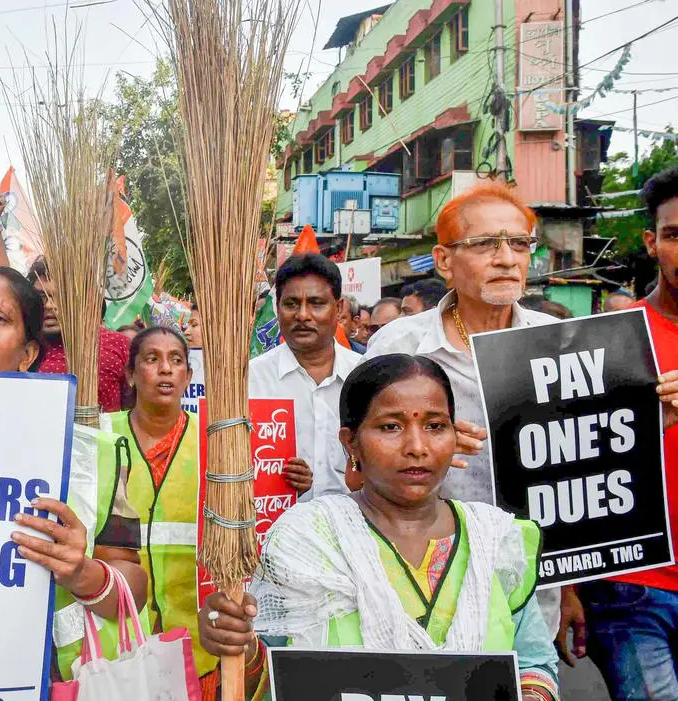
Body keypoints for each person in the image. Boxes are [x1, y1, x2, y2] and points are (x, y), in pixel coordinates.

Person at [199, 354, 560, 701]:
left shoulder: (495, 542)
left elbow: (533, 665)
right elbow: (271, 677)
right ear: (350, 442)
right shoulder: (308, 542)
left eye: (435, 426)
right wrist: (236, 643)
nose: (417, 446)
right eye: (391, 427)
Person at [0, 265, 147, 681]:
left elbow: (134, 591)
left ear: (29, 354)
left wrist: (82, 573)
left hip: (41, 678)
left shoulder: (88, 454)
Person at [107, 327, 308, 699]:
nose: (165, 369)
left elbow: (259, 525)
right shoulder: (101, 438)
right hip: (117, 649)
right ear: (131, 374)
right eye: (152, 359)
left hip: (201, 645)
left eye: (176, 360)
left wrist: (287, 482)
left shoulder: (222, 443)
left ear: (189, 375)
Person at [561, 166, 678, 698]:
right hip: (632, 585)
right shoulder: (607, 340)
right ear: (652, 243)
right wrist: (566, 588)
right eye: (675, 235)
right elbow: (566, 466)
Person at [365, 183, 555, 504]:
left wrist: (643, 412)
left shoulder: (558, 341)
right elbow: (356, 457)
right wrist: (427, 442)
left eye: (520, 244)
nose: (507, 260)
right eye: (484, 244)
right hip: (433, 541)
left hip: (541, 540)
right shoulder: (399, 345)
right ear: (443, 262)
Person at [249, 254, 362, 499]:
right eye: (291, 304)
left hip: (357, 528)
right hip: (277, 530)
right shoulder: (251, 381)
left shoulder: (366, 377)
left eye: (316, 303)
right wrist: (279, 481)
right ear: (277, 308)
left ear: (339, 307)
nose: (302, 315)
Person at [29, 259, 131, 412]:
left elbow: (135, 406)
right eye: (42, 297)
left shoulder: (119, 345)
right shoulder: (21, 349)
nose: (50, 305)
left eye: (62, 297)